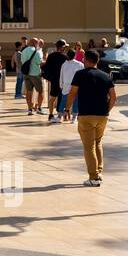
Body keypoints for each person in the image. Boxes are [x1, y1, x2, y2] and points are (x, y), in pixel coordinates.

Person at [64, 49, 116, 187]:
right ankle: (99, 172)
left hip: (86, 115)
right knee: (98, 143)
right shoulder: (106, 76)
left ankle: (93, 177)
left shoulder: (80, 74)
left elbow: (72, 93)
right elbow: (113, 97)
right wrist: (107, 110)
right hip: (102, 116)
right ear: (97, 61)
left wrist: (67, 108)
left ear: (86, 60)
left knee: (89, 147)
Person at [43, 40, 68, 124]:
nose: (65, 49)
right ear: (61, 47)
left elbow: (46, 68)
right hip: (63, 81)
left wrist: (50, 78)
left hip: (54, 80)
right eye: (64, 47)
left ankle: (50, 114)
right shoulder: (65, 57)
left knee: (52, 98)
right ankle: (60, 113)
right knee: (62, 98)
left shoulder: (51, 56)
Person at [58, 48, 84, 121]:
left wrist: (61, 85)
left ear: (67, 55)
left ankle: (60, 116)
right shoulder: (80, 64)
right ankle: (74, 117)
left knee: (63, 101)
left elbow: (61, 76)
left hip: (66, 85)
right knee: (75, 101)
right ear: (75, 55)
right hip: (76, 86)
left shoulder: (64, 64)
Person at [20, 38, 45, 113]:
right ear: (34, 43)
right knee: (41, 91)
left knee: (29, 91)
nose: (37, 44)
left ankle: (29, 109)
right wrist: (46, 61)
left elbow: (22, 61)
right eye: (37, 42)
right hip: (35, 74)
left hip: (26, 73)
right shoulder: (35, 51)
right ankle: (39, 108)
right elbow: (40, 62)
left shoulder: (23, 51)